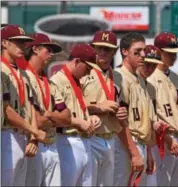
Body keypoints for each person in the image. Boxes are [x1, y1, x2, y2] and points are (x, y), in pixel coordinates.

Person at [23, 33, 72, 186]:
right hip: (32, 144)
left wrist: (49, 116)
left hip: (52, 144)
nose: (51, 54)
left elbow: (67, 117)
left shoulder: (49, 81)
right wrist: (55, 118)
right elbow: (36, 120)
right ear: (35, 49)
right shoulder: (24, 77)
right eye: (48, 49)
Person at [1, 25, 46, 186]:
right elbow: (6, 110)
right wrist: (34, 130)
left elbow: (31, 107)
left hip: (23, 136)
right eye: (18, 42)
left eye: (23, 42)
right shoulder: (1, 70)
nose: (22, 46)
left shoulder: (23, 73)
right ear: (4, 43)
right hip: (6, 134)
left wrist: (33, 138)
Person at [50, 44, 101, 186]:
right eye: (88, 67)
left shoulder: (77, 81)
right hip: (66, 140)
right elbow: (53, 116)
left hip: (84, 140)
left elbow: (77, 109)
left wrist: (89, 118)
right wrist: (78, 122)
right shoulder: (57, 80)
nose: (89, 72)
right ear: (77, 61)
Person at [81, 30, 128, 186]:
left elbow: (119, 104)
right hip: (90, 137)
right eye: (98, 47)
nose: (102, 52)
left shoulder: (117, 76)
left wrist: (121, 112)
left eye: (107, 49)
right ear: (92, 47)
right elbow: (72, 106)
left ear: (114, 51)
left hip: (111, 138)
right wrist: (98, 107)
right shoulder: (84, 72)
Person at [147, 32, 178, 186]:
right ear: (158, 51)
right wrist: (168, 139)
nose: (173, 56)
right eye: (169, 53)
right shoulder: (150, 78)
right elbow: (150, 117)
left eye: (175, 53)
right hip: (162, 140)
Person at [113, 32, 154, 186]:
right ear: (124, 51)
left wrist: (148, 151)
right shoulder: (119, 77)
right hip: (126, 145)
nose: (143, 55)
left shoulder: (140, 79)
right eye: (137, 51)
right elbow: (120, 122)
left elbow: (146, 121)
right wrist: (134, 152)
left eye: (143, 50)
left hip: (141, 143)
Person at [136, 44, 166, 186]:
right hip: (128, 142)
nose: (150, 68)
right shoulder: (128, 81)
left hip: (144, 142)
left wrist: (149, 151)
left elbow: (148, 122)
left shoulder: (150, 87)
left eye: (154, 65)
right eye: (147, 64)